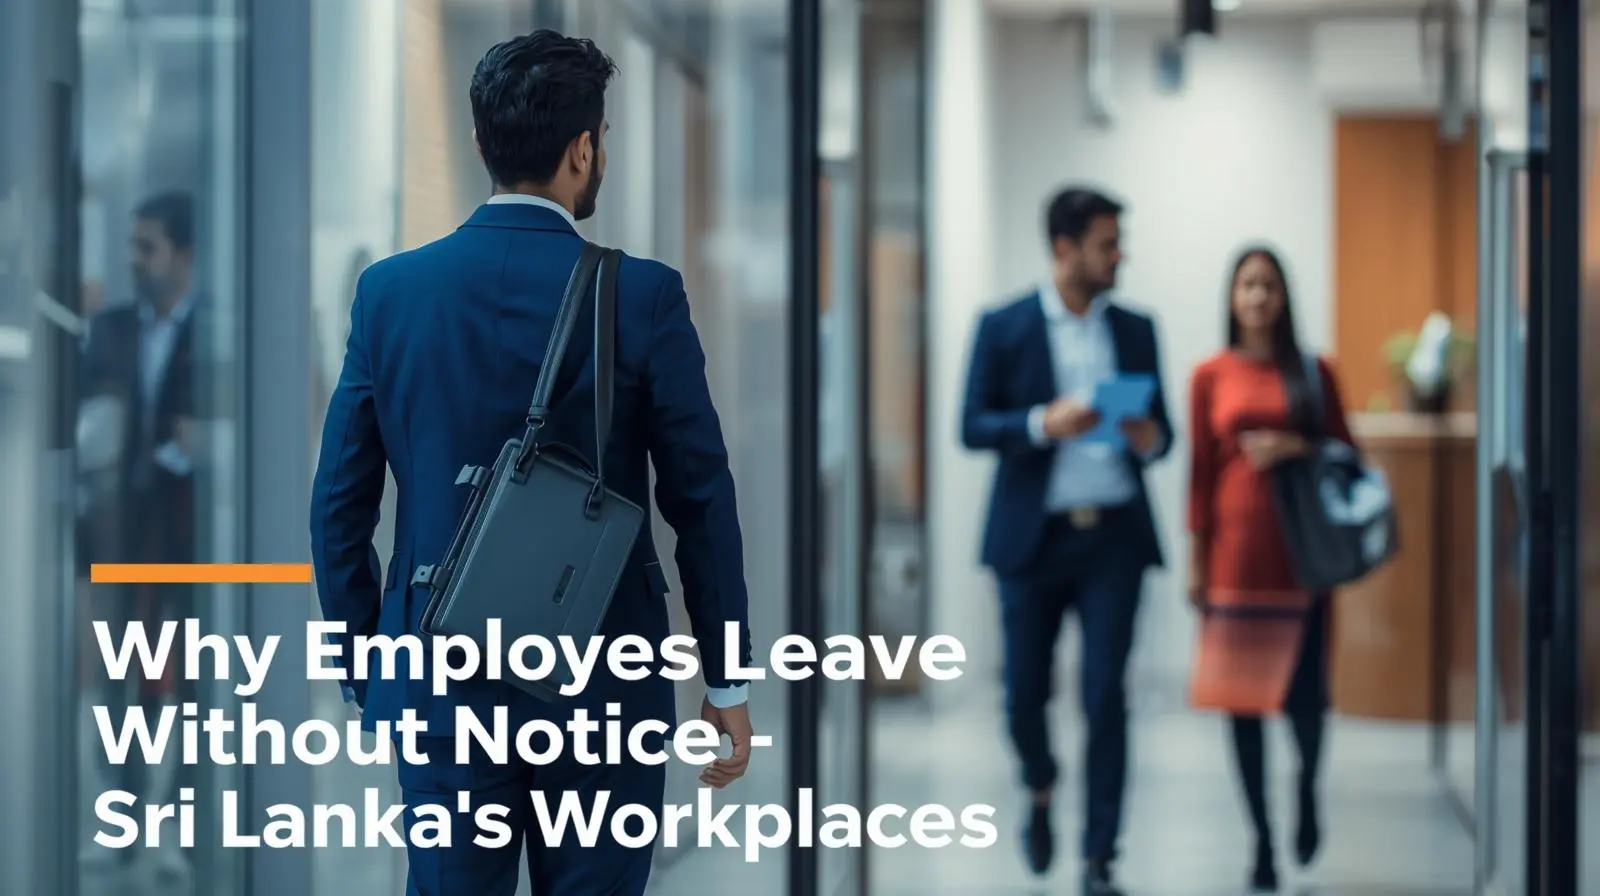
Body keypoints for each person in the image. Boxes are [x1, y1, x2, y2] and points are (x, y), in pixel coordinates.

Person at [309, 31, 754, 896]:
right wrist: (725, 674)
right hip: (604, 679)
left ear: (481, 144)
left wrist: (367, 660)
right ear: (585, 148)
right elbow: (700, 496)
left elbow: (339, 503)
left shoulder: (392, 293)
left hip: (437, 676)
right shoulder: (643, 294)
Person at [960, 185, 1173, 896]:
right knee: (1023, 696)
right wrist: (1038, 424)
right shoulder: (1004, 325)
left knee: (1106, 692)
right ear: (1064, 248)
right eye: (1107, 244)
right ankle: (1041, 784)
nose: (1120, 256)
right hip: (1033, 541)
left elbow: (1162, 433)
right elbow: (972, 425)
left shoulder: (1137, 328)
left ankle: (1099, 858)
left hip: (1113, 539)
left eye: (1119, 243)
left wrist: (1150, 437)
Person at [1185, 246, 1353, 892]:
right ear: (1232, 297)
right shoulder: (1209, 375)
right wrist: (1197, 558)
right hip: (1236, 560)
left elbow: (1346, 452)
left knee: (1307, 701)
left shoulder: (1313, 372)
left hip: (1301, 557)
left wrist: (1295, 445)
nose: (1258, 296)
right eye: (1247, 285)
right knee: (1244, 707)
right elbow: (1199, 472)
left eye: (1269, 285)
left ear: (1283, 297)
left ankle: (1306, 789)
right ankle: (1259, 837)